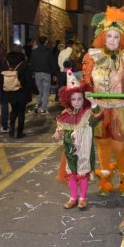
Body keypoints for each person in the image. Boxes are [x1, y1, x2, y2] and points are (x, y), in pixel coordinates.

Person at [82, 6, 124, 196]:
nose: (112, 40)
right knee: (102, 145)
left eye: (116, 37)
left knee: (119, 146)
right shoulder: (90, 57)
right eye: (108, 36)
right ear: (102, 36)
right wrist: (85, 94)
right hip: (99, 109)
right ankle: (105, 181)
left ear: (122, 39)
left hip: (120, 108)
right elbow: (86, 82)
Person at [52, 77, 100, 210]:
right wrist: (58, 132)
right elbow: (61, 126)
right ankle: (73, 197)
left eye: (80, 99)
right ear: (68, 100)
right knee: (72, 174)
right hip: (70, 149)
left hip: (84, 149)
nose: (77, 102)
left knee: (82, 174)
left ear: (84, 99)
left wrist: (93, 102)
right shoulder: (65, 113)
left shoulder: (88, 113)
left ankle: (82, 198)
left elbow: (99, 117)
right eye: (73, 99)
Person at [3, 47, 34, 138]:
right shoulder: (24, 64)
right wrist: (34, 89)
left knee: (13, 110)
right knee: (21, 112)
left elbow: (1, 77)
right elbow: (29, 79)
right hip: (22, 91)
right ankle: (19, 132)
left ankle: (11, 129)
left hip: (10, 91)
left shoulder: (6, 63)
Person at [30, 36, 56, 115]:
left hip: (37, 73)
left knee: (39, 91)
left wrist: (32, 73)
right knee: (45, 91)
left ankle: (37, 105)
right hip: (46, 73)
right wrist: (54, 74)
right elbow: (52, 63)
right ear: (46, 41)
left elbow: (32, 63)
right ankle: (43, 109)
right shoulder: (48, 51)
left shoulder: (34, 52)